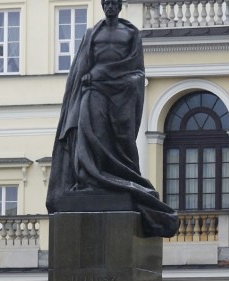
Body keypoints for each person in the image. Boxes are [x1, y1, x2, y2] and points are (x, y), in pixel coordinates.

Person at [46, 0, 179, 238]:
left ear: (119, 6)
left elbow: (138, 70)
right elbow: (80, 69)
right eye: (106, 3)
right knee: (89, 130)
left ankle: (115, 178)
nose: (109, 6)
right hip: (94, 89)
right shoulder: (91, 33)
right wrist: (87, 79)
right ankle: (90, 179)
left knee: (119, 139)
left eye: (113, 3)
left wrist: (126, 81)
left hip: (121, 92)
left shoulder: (130, 33)